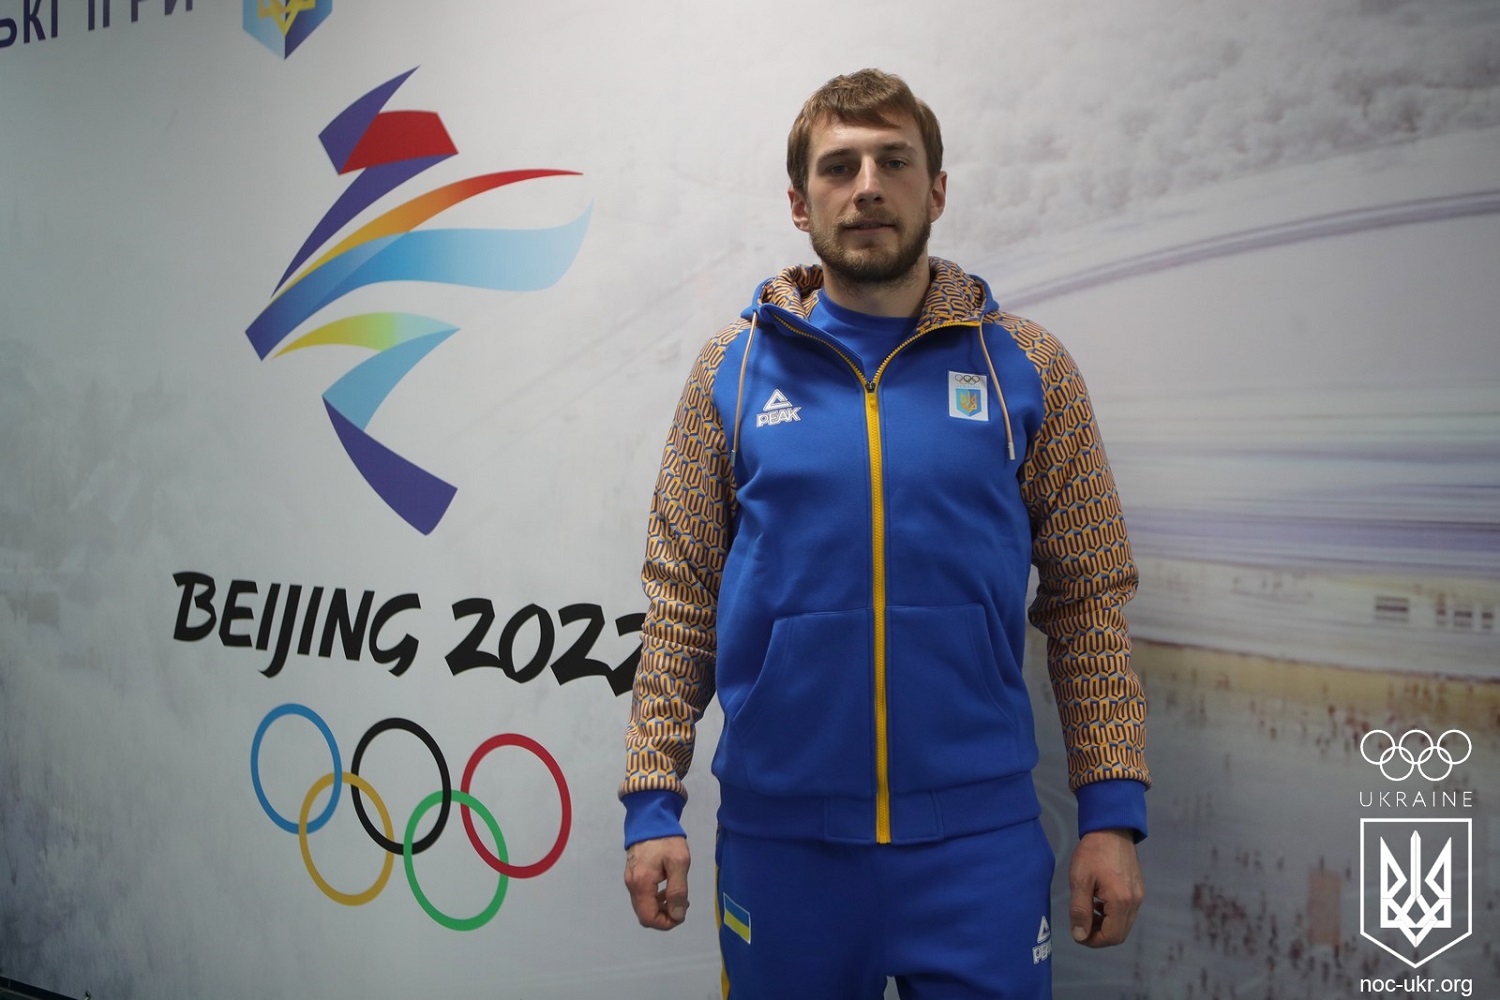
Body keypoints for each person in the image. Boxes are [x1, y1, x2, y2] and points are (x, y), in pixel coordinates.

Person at [621, 68, 1149, 999]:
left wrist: (1110, 813)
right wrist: (652, 801)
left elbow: (1089, 597)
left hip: (979, 849)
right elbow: (681, 598)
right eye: (839, 166)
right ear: (800, 202)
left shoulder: (1026, 368)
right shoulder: (731, 372)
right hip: (783, 848)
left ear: (936, 190)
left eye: (894, 162)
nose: (867, 186)